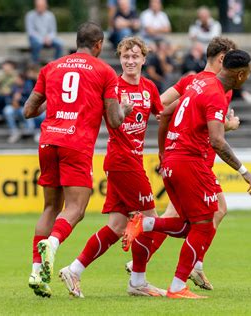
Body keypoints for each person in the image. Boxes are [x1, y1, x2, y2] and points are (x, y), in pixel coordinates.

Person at [123, 49, 251, 299]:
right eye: (248, 73)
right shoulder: (217, 94)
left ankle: (145, 223)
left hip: (174, 160)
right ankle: (177, 286)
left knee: (189, 226)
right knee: (206, 223)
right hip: (191, 162)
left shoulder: (199, 81)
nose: (248, 77)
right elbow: (217, 141)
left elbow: (166, 111)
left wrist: (164, 151)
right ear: (240, 75)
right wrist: (244, 171)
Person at [22, 22, 133, 298]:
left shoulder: (51, 68)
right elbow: (115, 121)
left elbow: (28, 110)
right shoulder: (105, 72)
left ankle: (37, 271)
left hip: (49, 141)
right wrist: (126, 109)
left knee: (50, 207)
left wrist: (57, 104)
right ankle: (53, 244)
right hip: (76, 143)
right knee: (76, 208)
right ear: (98, 45)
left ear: (76, 42)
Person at [58, 37, 167, 298]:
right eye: (125, 57)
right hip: (121, 160)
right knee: (150, 219)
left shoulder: (150, 87)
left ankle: (74, 270)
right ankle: (138, 281)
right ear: (120, 59)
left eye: (135, 57)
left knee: (117, 226)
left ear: (143, 59)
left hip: (132, 159)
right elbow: (103, 116)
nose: (130, 61)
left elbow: (162, 113)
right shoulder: (112, 86)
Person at [25, 0, 63, 64]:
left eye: (41, 6)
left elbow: (53, 31)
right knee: (37, 44)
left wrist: (49, 38)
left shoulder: (50, 16)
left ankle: (56, 64)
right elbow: (31, 32)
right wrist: (42, 39)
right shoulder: (30, 15)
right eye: (38, 6)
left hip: (48, 39)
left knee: (60, 44)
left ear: (46, 6)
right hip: (36, 39)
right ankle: (35, 65)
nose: (39, 8)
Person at [3, 73, 36, 144]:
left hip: (23, 106)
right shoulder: (13, 86)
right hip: (13, 106)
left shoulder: (28, 87)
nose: (16, 80)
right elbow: (7, 98)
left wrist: (20, 99)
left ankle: (30, 131)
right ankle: (14, 132)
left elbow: (30, 101)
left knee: (26, 111)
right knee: (7, 110)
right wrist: (12, 101)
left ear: (22, 80)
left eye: (17, 79)